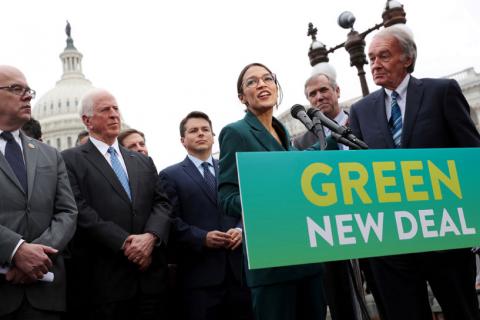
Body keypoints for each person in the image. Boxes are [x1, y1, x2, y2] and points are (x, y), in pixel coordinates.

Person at [349, 26, 480, 320]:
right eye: (370, 58)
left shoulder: (441, 92)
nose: (374, 64)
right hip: (392, 245)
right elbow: (356, 174)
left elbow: (472, 155)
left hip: (444, 237)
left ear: (407, 59)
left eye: (384, 56)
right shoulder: (361, 110)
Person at [218, 62, 327, 320]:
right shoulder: (236, 133)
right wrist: (264, 198)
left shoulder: (283, 132)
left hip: (307, 255)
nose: (262, 84)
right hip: (273, 265)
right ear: (242, 97)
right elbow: (226, 198)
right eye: (252, 82)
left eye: (268, 78)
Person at [61, 88, 172, 320]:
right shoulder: (69, 159)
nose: (114, 115)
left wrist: (150, 238)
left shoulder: (142, 160)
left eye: (116, 109)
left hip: (151, 279)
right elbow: (79, 210)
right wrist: (125, 243)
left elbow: (162, 203)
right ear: (87, 120)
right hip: (105, 283)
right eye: (105, 110)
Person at [159, 111, 253, 320]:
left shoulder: (231, 170)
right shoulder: (169, 175)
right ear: (183, 140)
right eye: (193, 131)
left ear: (213, 136)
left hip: (240, 275)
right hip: (200, 278)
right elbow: (171, 221)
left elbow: (247, 206)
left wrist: (240, 229)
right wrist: (203, 238)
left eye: (205, 130)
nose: (200, 134)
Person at [0, 65, 77, 319]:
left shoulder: (49, 154)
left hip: (46, 292)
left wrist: (37, 255)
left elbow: (67, 211)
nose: (28, 96)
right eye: (15, 89)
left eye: (28, 90)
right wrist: (16, 250)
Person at [292, 72, 348, 150]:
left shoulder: (361, 121)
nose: (319, 97)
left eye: (323, 90)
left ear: (337, 91)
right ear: (308, 100)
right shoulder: (301, 144)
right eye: (313, 94)